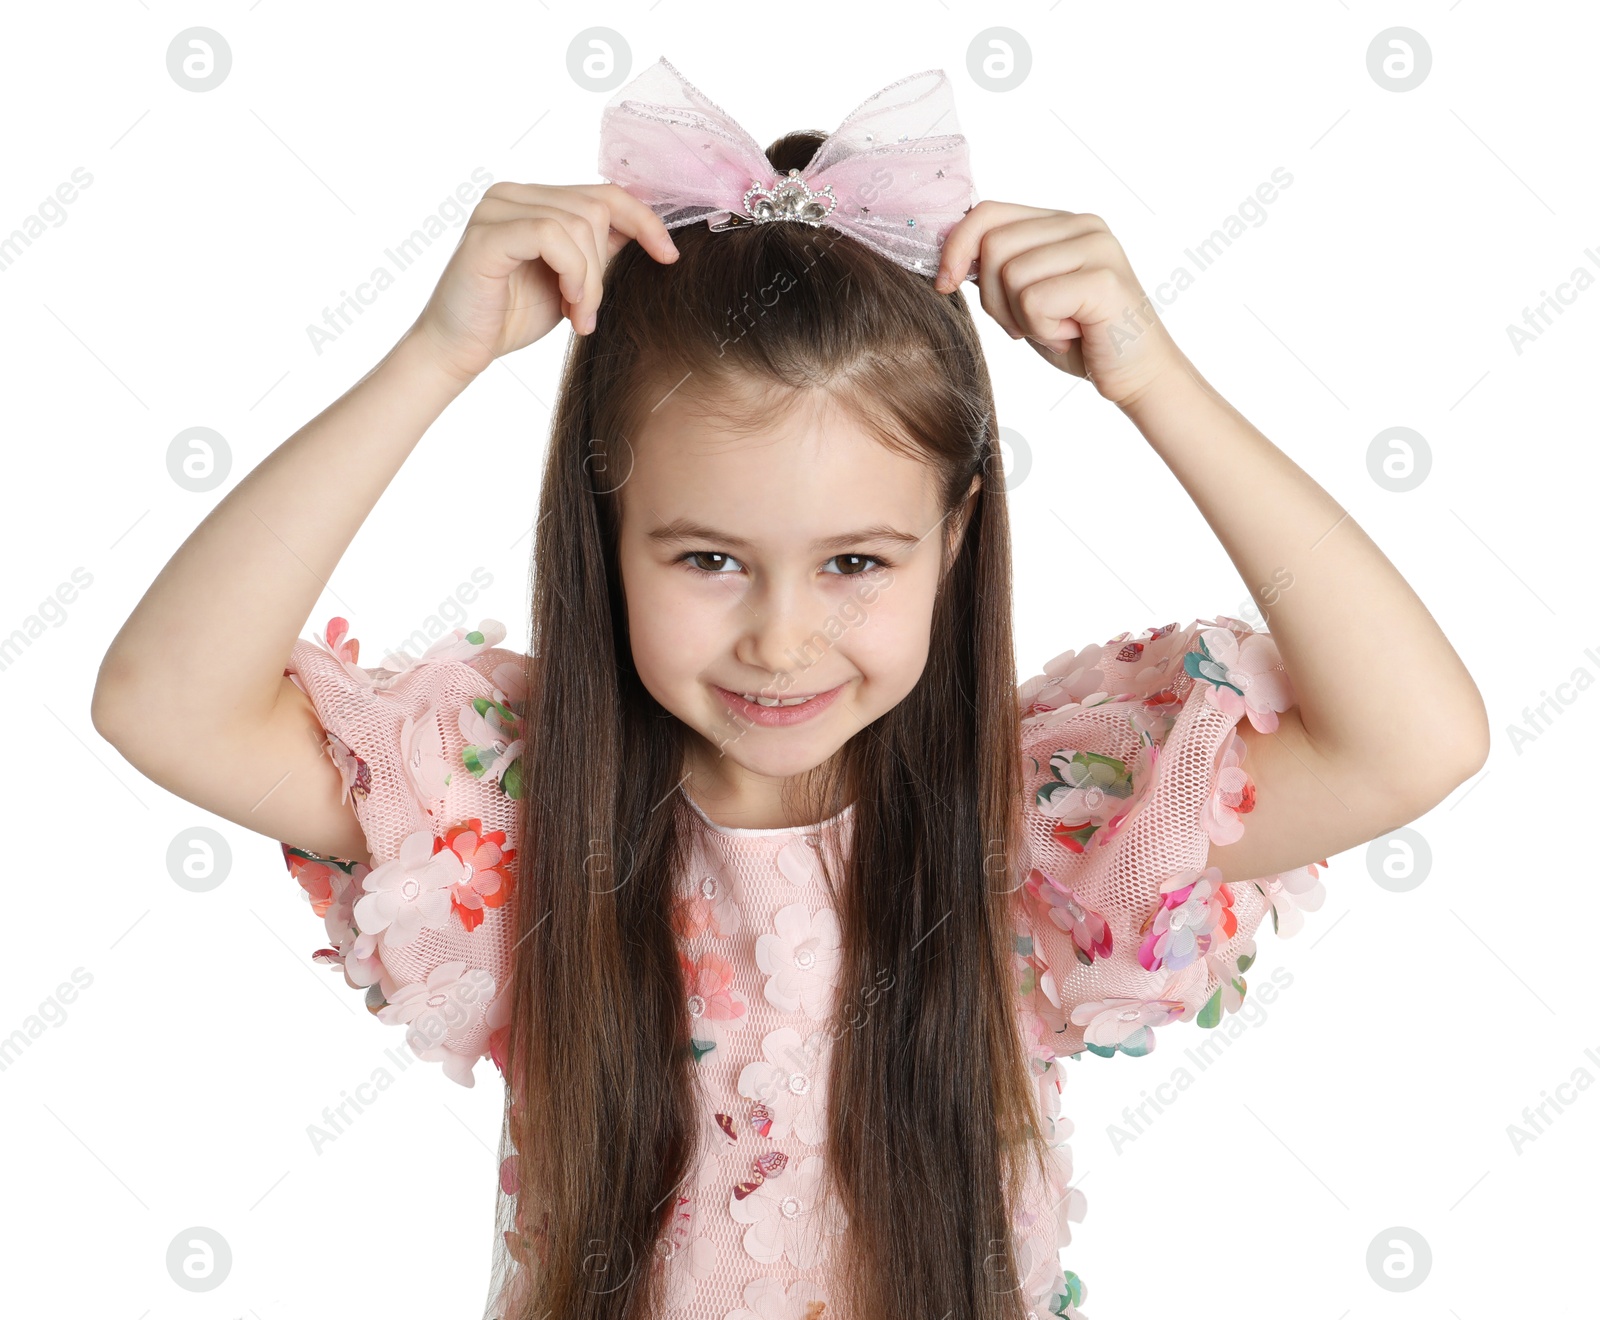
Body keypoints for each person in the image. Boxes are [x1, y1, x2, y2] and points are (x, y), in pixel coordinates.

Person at [90, 56, 1487, 1320]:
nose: (780, 639)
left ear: (954, 538)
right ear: (606, 533)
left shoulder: (1043, 834)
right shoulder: (513, 823)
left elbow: (1414, 740)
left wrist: (1155, 380)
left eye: (855, 564)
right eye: (708, 556)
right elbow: (168, 702)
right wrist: (434, 354)